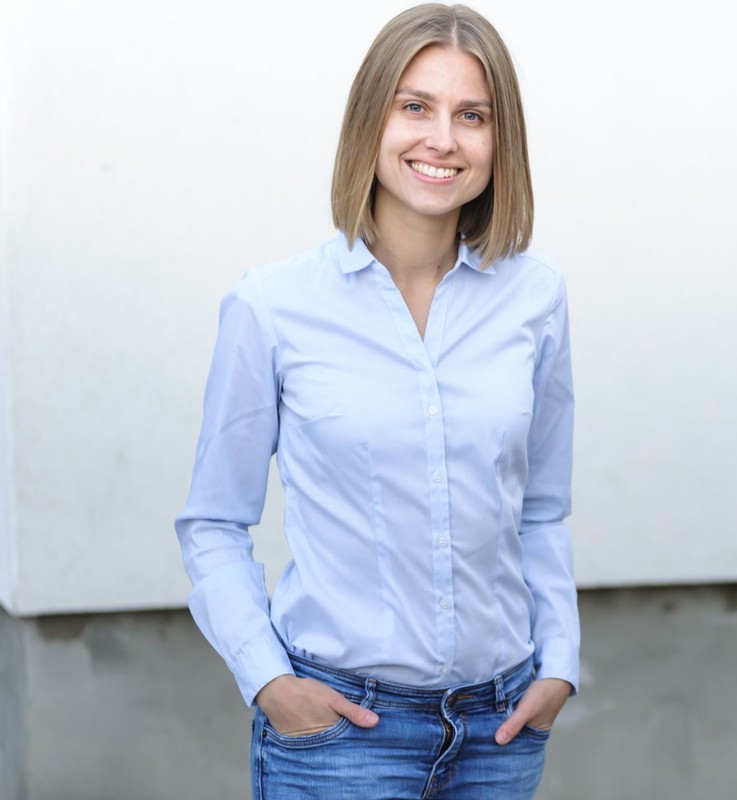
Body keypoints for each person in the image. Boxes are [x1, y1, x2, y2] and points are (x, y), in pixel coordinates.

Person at [176, 4, 580, 798]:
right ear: (372, 121)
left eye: (473, 116)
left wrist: (560, 664)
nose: (443, 139)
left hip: (501, 733)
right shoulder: (272, 306)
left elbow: (540, 511)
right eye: (415, 107)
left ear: (501, 142)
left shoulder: (537, 298)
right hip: (338, 739)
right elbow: (213, 522)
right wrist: (270, 682)